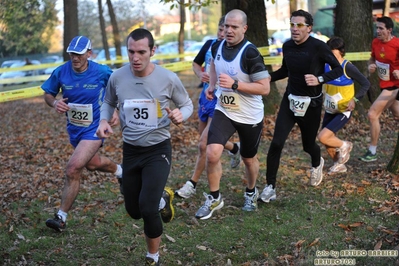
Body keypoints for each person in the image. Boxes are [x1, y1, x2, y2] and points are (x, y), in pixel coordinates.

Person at [96, 28, 193, 265]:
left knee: (147, 209)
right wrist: (103, 119)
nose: (135, 57)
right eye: (131, 52)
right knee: (134, 210)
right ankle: (162, 198)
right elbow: (108, 101)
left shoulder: (168, 78)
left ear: (152, 51)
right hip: (130, 150)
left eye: (141, 52)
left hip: (158, 149)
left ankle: (153, 256)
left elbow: (187, 104)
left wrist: (182, 115)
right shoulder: (117, 77)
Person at [259, 10, 343, 203]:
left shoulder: (319, 47)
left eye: (299, 25)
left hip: (311, 104)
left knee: (308, 145)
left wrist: (320, 78)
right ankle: (270, 186)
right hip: (290, 100)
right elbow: (285, 70)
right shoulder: (287, 46)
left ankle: (317, 162)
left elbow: (339, 69)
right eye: (292, 24)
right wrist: (268, 78)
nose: (294, 29)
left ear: (309, 28)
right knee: (277, 143)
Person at [194, 9, 270, 220]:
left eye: (234, 27)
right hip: (224, 109)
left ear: (244, 29)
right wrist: (211, 84)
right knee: (211, 152)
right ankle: (215, 197)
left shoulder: (250, 53)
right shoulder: (217, 45)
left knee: (248, 158)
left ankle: (251, 191)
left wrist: (236, 84)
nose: (228, 30)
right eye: (226, 26)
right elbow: (213, 64)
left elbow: (265, 88)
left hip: (249, 115)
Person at [41, 36, 123, 232]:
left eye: (78, 54)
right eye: (71, 54)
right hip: (74, 129)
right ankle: (121, 171)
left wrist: (116, 110)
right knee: (92, 164)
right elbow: (48, 94)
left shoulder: (102, 71)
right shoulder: (61, 71)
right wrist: (55, 103)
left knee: (73, 168)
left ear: (88, 53)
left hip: (95, 126)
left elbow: (117, 89)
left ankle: (61, 216)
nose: (74, 58)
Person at [175, 16, 241, 199]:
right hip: (206, 99)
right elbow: (196, 64)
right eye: (220, 29)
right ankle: (235, 149)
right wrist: (200, 74)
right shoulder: (210, 45)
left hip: (222, 102)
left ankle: (192, 184)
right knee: (208, 144)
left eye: (225, 29)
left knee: (204, 144)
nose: (222, 33)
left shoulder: (235, 50)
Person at [317, 36, 370, 174]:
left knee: (322, 136)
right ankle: (339, 164)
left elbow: (365, 83)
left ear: (341, 52)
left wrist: (355, 100)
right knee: (326, 140)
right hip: (330, 108)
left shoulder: (348, 67)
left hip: (344, 110)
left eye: (334, 54)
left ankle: (345, 145)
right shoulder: (326, 65)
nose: (331, 57)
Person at [359, 16, 399, 162]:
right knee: (397, 115)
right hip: (385, 85)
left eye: (381, 28)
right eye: (377, 28)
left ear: (389, 30)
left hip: (395, 86)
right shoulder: (375, 42)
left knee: (372, 114)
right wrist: (371, 65)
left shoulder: (397, 44)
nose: (378, 31)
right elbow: (372, 58)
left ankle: (372, 151)